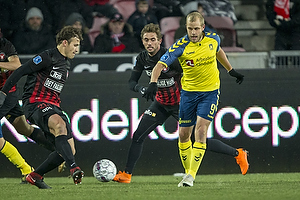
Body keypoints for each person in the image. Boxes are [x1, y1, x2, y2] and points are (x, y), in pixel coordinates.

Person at [113, 23, 248, 184]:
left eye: (153, 40)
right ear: (142, 41)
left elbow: (189, 73)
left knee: (198, 140)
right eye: (146, 40)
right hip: (160, 104)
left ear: (159, 41)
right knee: (137, 136)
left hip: (181, 104)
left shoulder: (171, 56)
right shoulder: (142, 58)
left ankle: (238, 154)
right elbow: (131, 82)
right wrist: (142, 89)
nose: (149, 43)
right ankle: (127, 175)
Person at [0, 26, 84, 189]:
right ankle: (74, 168)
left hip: (53, 105)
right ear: (65, 43)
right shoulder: (47, 57)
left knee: (68, 150)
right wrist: (3, 93)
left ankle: (35, 175)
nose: (77, 49)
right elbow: (20, 71)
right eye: (75, 45)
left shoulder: (66, 62)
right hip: (35, 103)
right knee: (59, 126)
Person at [0, 36, 58, 183]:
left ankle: (28, 170)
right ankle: (59, 151)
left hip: (7, 94)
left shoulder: (5, 45)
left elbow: (16, 64)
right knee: (23, 128)